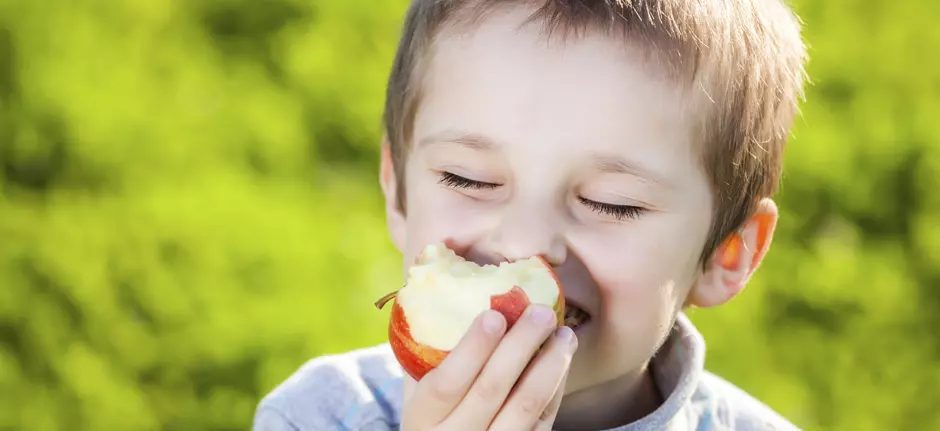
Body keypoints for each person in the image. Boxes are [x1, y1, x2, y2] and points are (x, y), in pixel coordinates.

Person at [254, 0, 809, 429]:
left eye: (611, 203)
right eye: (467, 178)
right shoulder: (316, 416)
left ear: (726, 253)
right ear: (397, 188)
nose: (524, 242)